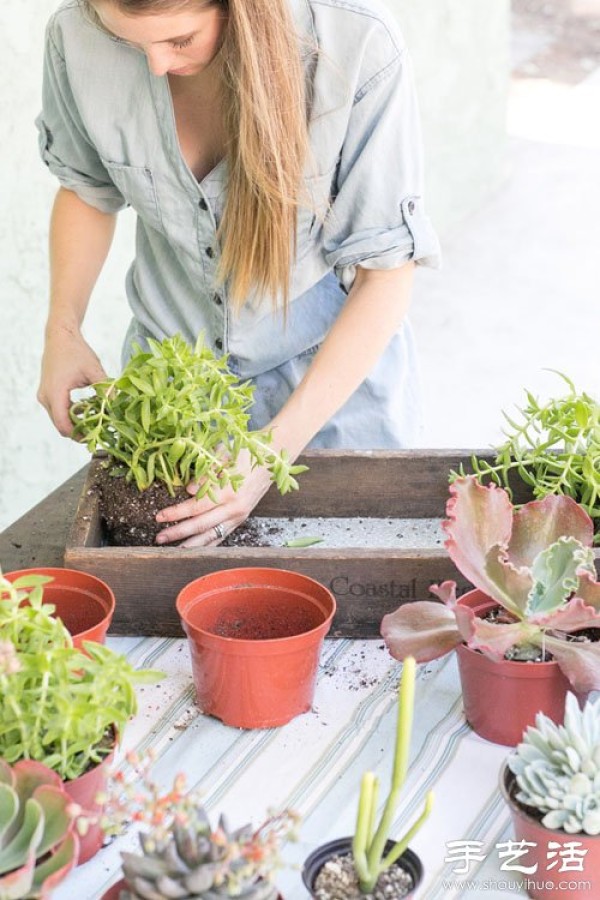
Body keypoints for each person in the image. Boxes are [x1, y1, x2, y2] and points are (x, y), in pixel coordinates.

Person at [36, 0, 440, 547]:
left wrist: (268, 455)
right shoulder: (75, 34)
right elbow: (86, 189)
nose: (154, 66)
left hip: (330, 398)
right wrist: (63, 328)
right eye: (130, 43)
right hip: (171, 401)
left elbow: (385, 273)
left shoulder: (356, 42)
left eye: (180, 40)